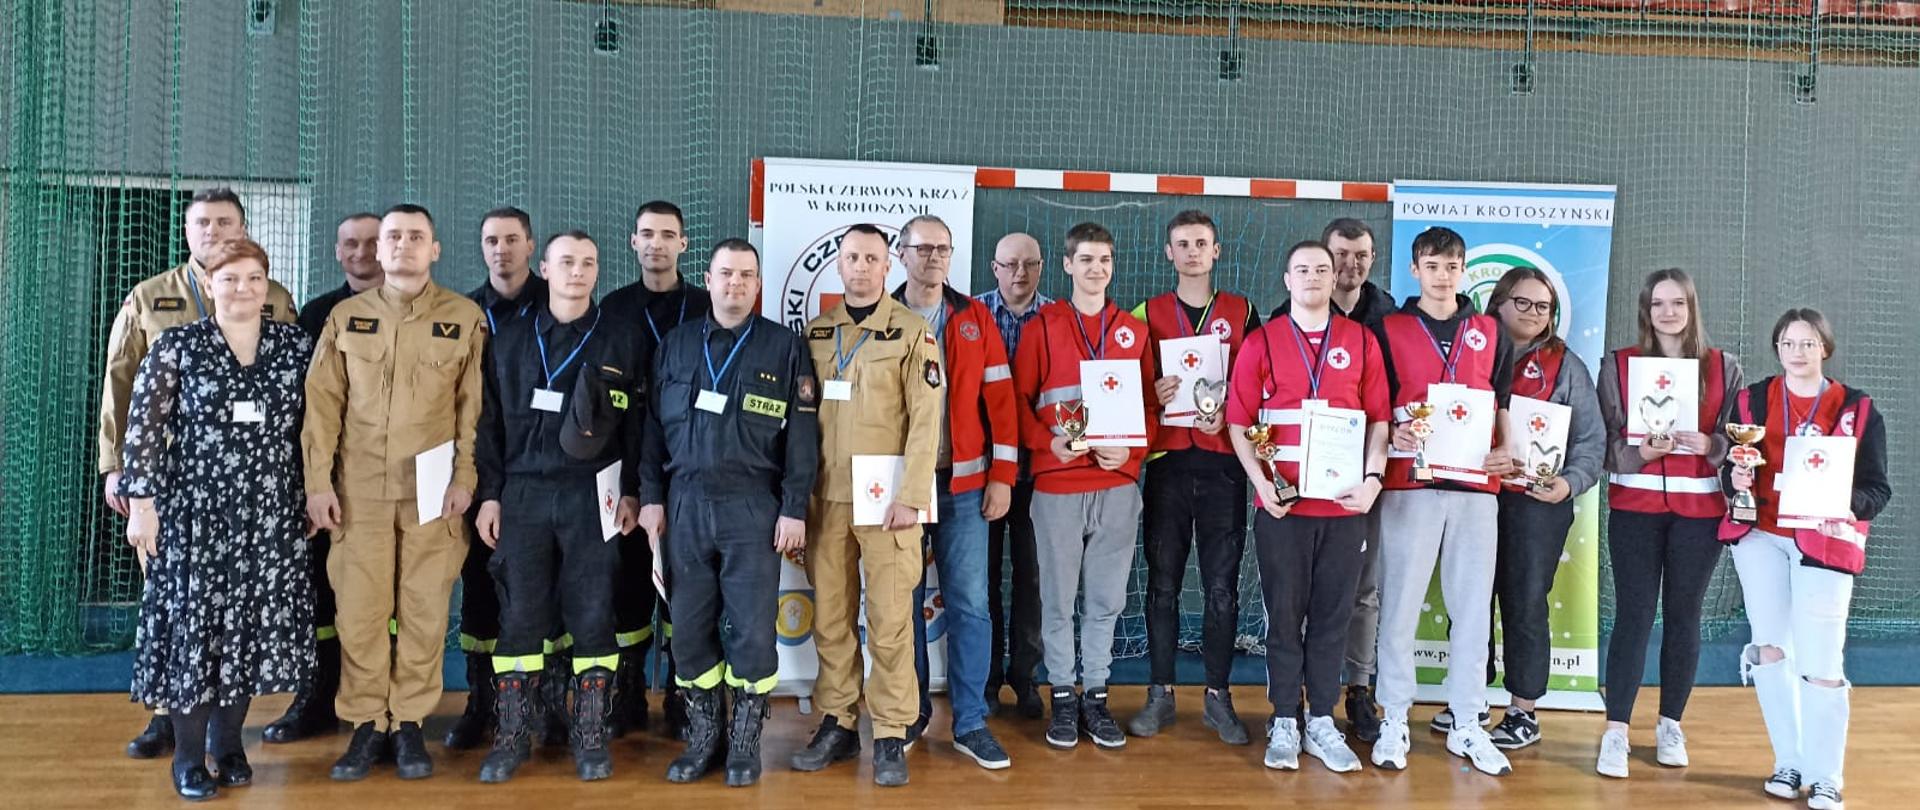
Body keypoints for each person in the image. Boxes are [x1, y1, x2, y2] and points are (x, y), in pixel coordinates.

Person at [100, 187, 298, 759]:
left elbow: (308, 408)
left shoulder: (280, 310)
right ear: (188, 233)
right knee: (183, 617)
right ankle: (171, 725)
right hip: (180, 493)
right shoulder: (151, 299)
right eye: (203, 223)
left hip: (261, 502)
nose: (213, 231)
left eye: (225, 222)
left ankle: (224, 738)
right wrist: (121, 473)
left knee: (239, 623)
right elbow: (123, 389)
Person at [303, 203, 488, 782]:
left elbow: (473, 410)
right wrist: (316, 484)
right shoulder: (345, 318)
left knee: (424, 611)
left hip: (433, 494)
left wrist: (465, 479)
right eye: (393, 237)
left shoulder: (464, 318)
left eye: (416, 236)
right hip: (357, 493)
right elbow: (321, 408)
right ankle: (365, 723)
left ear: (435, 250)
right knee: (360, 611)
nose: (403, 245)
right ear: (379, 251)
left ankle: (408, 723)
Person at [639, 239, 819, 787]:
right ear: (709, 280)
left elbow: (802, 435)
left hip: (753, 506)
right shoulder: (676, 345)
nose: (735, 284)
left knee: (753, 633)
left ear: (757, 285)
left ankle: (744, 740)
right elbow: (650, 430)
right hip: (685, 504)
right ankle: (704, 736)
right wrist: (651, 497)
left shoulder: (784, 346)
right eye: (725, 274)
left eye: (745, 275)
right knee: (689, 630)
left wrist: (793, 507)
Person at [472, 231, 644, 783]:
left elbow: (639, 425)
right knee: (520, 616)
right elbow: (487, 426)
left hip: (593, 494)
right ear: (544, 268)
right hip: (522, 493)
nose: (577, 271)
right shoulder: (509, 340)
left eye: (588, 263)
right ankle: (512, 735)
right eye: (566, 261)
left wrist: (633, 490)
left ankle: (590, 735)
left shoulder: (620, 338)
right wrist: (490, 495)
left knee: (594, 613)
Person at [789, 224, 943, 787]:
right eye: (852, 256)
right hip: (826, 500)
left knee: (891, 621)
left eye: (871, 258)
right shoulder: (816, 332)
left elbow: (926, 419)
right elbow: (799, 421)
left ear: (888, 266)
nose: (861, 266)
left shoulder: (912, 332)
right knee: (831, 618)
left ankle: (893, 731)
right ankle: (838, 721)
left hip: (888, 505)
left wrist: (912, 497)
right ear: (839, 264)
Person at [1227, 240, 1388, 772]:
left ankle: (1321, 718)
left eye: (1323, 268)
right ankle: (1283, 718)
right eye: (1303, 269)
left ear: (1335, 276)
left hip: (1344, 510)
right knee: (1283, 617)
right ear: (1287, 280)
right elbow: (1238, 421)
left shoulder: (1361, 341)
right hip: (1283, 509)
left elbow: (1380, 420)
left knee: (1333, 618)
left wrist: (1372, 480)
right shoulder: (1262, 341)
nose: (1314, 276)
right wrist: (1261, 483)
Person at [1724, 308, 1889, 810]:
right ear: (1777, 348)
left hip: (1825, 542)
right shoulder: (1751, 400)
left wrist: (1844, 505)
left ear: (1825, 348)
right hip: (1760, 537)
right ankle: (1789, 762)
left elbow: (1877, 489)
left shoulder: (1858, 408)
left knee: (1821, 662)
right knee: (1770, 649)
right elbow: (1728, 470)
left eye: (1808, 343)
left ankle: (1826, 777)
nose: (1797, 352)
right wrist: (1733, 478)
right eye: (1788, 343)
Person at [1368, 226, 1515, 776]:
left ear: (1463, 270)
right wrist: (1394, 434)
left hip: (1476, 488)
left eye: (1452, 266)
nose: (1442, 275)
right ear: (1415, 270)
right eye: (1432, 265)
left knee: (1473, 611)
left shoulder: (1491, 331)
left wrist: (1509, 450)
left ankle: (1468, 721)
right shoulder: (1387, 329)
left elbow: (1501, 403)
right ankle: (1394, 717)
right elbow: (1375, 405)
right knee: (1400, 608)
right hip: (1410, 484)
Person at [1594, 268, 1743, 778]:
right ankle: (1616, 730)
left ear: (1691, 307)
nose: (1668, 312)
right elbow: (1603, 441)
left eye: (1678, 302)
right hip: (1634, 510)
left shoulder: (1724, 366)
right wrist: (1640, 452)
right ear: (1646, 310)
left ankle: (1670, 725)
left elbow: (1738, 441)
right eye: (1658, 303)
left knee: (1684, 616)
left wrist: (1712, 445)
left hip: (1699, 514)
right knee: (1633, 616)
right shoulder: (1618, 365)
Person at [1012, 222, 1156, 751]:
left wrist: (1132, 453)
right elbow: (1018, 404)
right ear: (1068, 265)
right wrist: (1047, 443)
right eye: (1087, 259)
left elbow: (1150, 409)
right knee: (1056, 599)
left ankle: (1095, 694)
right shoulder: (1043, 327)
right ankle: (1062, 695)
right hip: (1057, 485)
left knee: (1106, 599)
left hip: (1117, 485)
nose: (1097, 269)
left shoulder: (1133, 331)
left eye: (1105, 260)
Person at [891, 214, 1020, 769]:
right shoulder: (882, 316)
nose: (934, 258)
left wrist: (1003, 475)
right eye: (923, 249)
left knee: (970, 604)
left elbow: (1002, 402)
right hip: (899, 488)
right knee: (901, 604)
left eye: (942, 249)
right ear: (901, 253)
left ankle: (969, 722)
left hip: (965, 487)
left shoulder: (974, 318)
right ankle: (911, 713)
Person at [1128, 210, 1260, 745]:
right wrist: (1150, 392)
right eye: (1182, 244)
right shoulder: (1146, 312)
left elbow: (1258, 382)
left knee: (1221, 588)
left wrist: (1230, 409)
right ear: (1169, 253)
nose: (1192, 252)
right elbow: (1125, 387)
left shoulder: (1242, 311)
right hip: (1168, 464)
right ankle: (1159, 693)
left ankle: (1218, 696)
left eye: (1201, 243)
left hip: (1224, 464)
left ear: (1216, 251)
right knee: (1162, 584)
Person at [267, 211, 383, 745]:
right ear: (337, 251)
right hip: (323, 481)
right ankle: (315, 696)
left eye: (372, 242)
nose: (361, 252)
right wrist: (311, 479)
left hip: (389, 484)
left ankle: (383, 703)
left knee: (386, 600)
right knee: (318, 592)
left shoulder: (420, 311)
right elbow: (302, 405)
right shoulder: (316, 315)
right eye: (351, 243)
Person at [1478, 266, 1604, 749]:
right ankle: (1468, 699)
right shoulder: (1472, 351)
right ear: (1499, 302)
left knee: (1526, 601)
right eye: (1523, 302)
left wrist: (1568, 485)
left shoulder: (1567, 366)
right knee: (1470, 599)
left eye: (1543, 306)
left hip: (1537, 504)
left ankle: (1523, 710)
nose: (1533, 313)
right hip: (1476, 497)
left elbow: (1591, 440)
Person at [447, 206, 555, 752]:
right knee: (481, 592)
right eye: (492, 240)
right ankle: (481, 703)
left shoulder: (557, 306)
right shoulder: (464, 313)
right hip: (480, 472)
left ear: (531, 246)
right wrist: (485, 488)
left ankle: (546, 705)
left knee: (546, 594)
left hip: (544, 476)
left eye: (512, 239)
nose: (501, 249)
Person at [602, 200, 710, 740]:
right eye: (647, 233)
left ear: (683, 244)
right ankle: (625, 691)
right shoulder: (613, 307)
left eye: (668, 234)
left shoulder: (706, 305)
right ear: (634, 242)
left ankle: (679, 690)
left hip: (686, 458)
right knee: (627, 583)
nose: (657, 243)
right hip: (625, 460)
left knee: (683, 585)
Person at [1319, 217, 1393, 743]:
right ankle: (1309, 691)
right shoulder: (1290, 314)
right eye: (1340, 254)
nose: (1351, 264)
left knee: (1365, 588)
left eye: (1361, 254)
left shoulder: (1392, 319)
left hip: (1372, 471)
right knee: (1311, 590)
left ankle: (1360, 689)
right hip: (1310, 475)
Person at [975, 232, 1051, 720]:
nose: (1019, 273)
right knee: (980, 582)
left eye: (1029, 264)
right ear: (994, 267)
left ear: (1042, 267)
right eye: (1010, 264)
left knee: (1033, 579)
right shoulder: (971, 315)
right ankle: (985, 679)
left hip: (1042, 472)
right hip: (981, 473)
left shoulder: (1059, 318)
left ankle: (1025, 677)